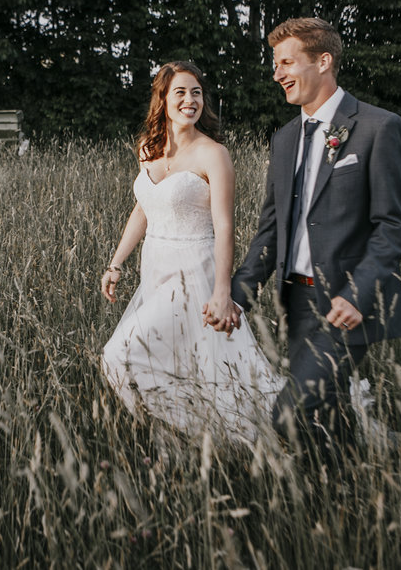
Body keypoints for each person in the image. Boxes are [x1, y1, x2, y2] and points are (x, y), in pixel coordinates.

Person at [212, 17, 401, 459]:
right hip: (296, 300)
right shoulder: (284, 139)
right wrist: (238, 297)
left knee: (289, 412)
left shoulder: (379, 127)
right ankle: (344, 497)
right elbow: (271, 229)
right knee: (326, 416)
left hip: (349, 303)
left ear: (324, 61)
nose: (277, 73)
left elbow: (391, 226)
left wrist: (358, 294)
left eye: (286, 62)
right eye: (275, 64)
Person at [99, 61, 284, 445]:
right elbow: (144, 208)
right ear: (162, 99)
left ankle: (198, 435)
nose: (190, 100)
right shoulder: (148, 148)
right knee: (177, 360)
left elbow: (225, 226)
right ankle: (176, 441)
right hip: (155, 268)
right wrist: (116, 263)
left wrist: (223, 291)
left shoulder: (213, 154)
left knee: (118, 354)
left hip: (193, 272)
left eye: (196, 92)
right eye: (180, 92)